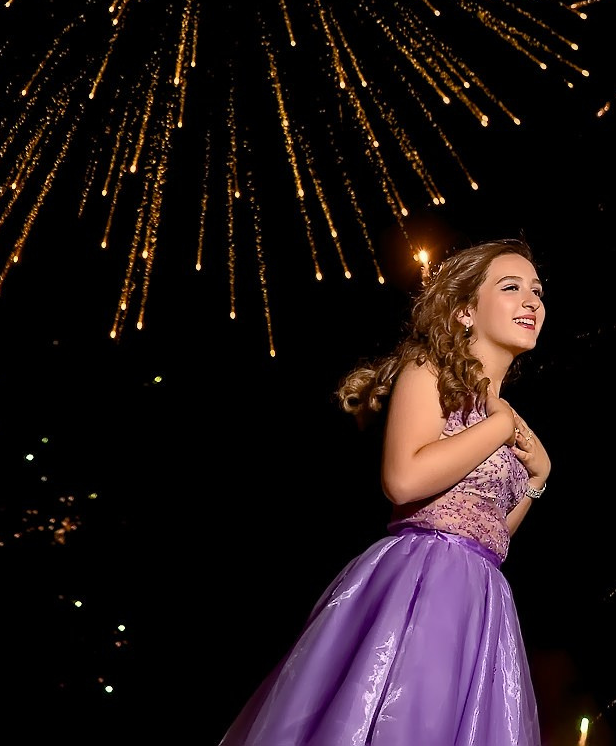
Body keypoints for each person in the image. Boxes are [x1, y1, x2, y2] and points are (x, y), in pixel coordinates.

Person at [220, 239, 553, 745]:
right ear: (465, 310)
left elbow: (490, 534)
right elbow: (403, 480)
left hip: (481, 597)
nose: (531, 301)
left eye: (537, 291)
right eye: (511, 287)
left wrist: (536, 480)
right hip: (421, 582)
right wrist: (501, 425)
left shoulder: (508, 419)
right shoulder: (430, 372)